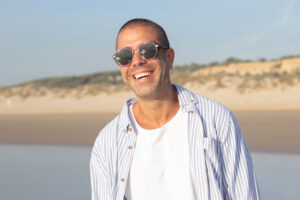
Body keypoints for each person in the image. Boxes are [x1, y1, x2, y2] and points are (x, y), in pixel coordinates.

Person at [90, 18, 260, 200]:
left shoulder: (216, 119)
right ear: (120, 66)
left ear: (169, 57)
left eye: (148, 50)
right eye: (125, 56)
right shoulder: (107, 142)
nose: (137, 61)